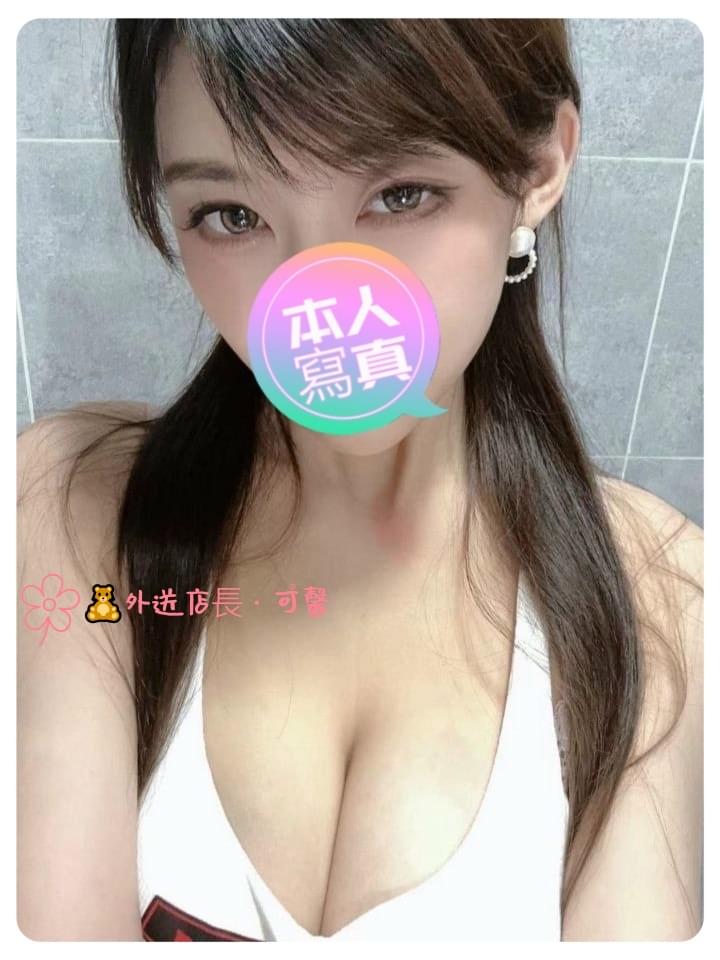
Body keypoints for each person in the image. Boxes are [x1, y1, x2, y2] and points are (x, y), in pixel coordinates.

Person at [17, 19, 703, 941]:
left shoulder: (662, 598)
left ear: (539, 168)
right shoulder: (79, 511)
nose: (319, 307)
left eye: (400, 195)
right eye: (232, 215)